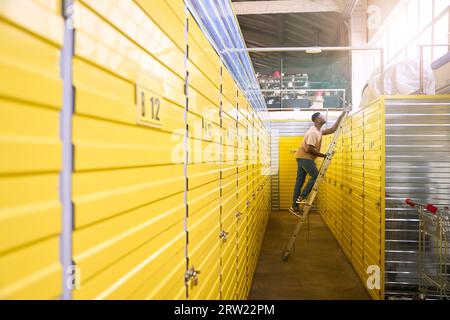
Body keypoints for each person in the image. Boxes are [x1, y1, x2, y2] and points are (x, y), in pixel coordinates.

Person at [289, 110, 347, 217]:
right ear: (316, 120)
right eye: (321, 116)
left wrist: (341, 116)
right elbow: (309, 149)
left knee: (299, 182)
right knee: (316, 176)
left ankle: (294, 206)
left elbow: (332, 130)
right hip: (305, 157)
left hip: (301, 157)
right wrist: (324, 155)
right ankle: (302, 196)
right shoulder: (313, 132)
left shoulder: (318, 130)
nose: (324, 117)